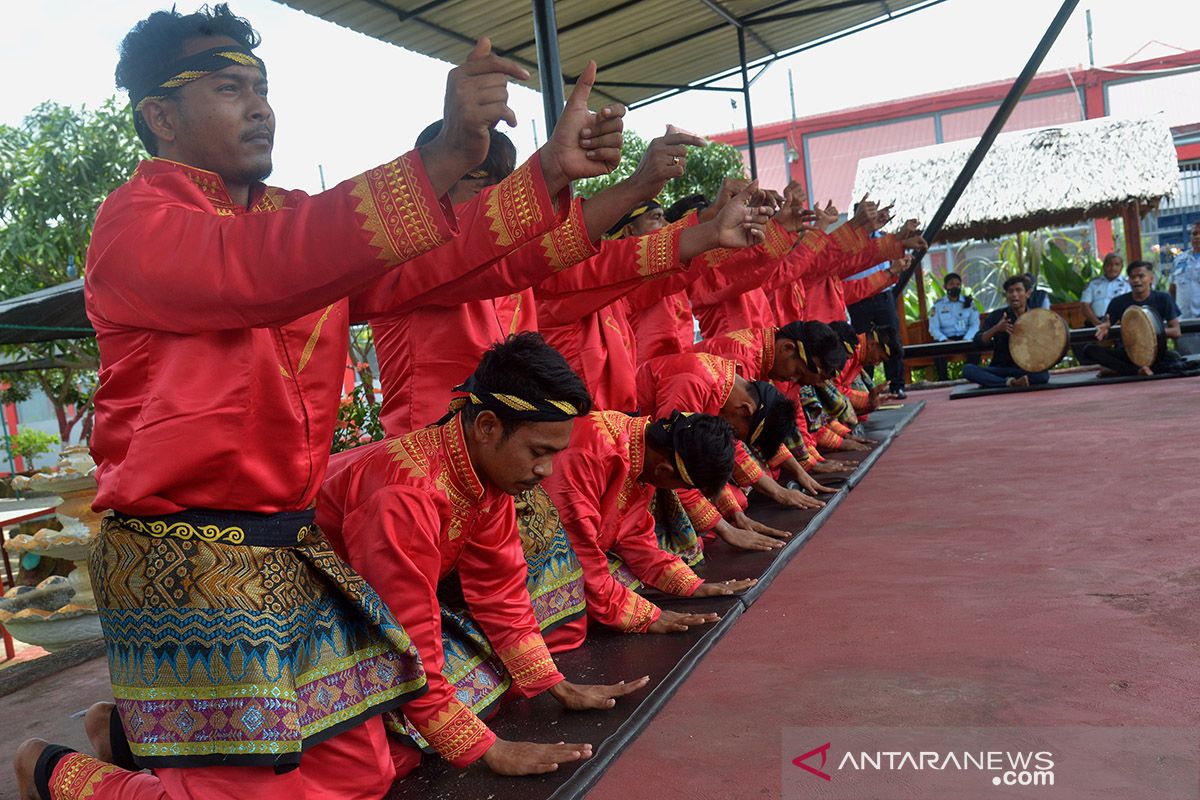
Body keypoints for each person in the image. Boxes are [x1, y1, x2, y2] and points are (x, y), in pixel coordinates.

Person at [14, 5, 626, 799]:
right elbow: (266, 270)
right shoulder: (136, 225)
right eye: (230, 88)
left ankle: (129, 734)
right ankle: (51, 770)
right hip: (189, 561)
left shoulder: (287, 217)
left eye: (262, 86)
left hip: (287, 549)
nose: (260, 105)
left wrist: (545, 175)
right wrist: (439, 156)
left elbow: (437, 267)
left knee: (361, 772)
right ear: (159, 115)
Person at [317, 334, 649, 778]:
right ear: (488, 425)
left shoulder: (482, 471)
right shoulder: (407, 494)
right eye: (538, 452)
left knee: (494, 683)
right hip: (323, 613)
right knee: (372, 764)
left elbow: (501, 590)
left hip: (384, 606)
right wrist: (486, 750)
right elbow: (404, 635)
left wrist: (554, 684)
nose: (547, 471)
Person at [541, 411, 757, 652]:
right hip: (543, 546)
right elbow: (578, 550)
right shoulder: (591, 455)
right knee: (570, 624)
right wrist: (648, 616)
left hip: (585, 542)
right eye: (684, 487)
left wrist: (691, 585)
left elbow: (634, 535)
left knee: (628, 582)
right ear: (664, 471)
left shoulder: (639, 450)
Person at [636, 351, 827, 553]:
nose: (793, 379)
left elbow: (726, 448)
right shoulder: (693, 385)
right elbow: (677, 464)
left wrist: (741, 509)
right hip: (645, 459)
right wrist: (726, 530)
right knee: (691, 544)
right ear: (745, 410)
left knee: (736, 504)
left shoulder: (727, 387)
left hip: (664, 461)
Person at [1082, 260, 1184, 376]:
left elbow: (1176, 331)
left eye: (1141, 276)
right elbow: (1107, 324)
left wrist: (1147, 332)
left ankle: (1123, 371)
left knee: (1174, 357)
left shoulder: (1163, 298)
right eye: (1132, 277)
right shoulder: (1118, 302)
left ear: (1151, 279)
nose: (1136, 280)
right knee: (1089, 350)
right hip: (1127, 353)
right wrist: (1104, 327)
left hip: (1155, 353)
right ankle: (1137, 371)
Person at [962, 275, 1051, 389]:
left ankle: (1002, 382)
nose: (1014, 295)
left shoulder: (1036, 317)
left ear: (1028, 293)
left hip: (1024, 369)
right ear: (1006, 295)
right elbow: (977, 342)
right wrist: (997, 328)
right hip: (1000, 368)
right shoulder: (997, 316)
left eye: (1018, 290)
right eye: (1010, 291)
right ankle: (1010, 383)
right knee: (968, 370)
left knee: (1042, 376)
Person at [928, 272, 981, 381]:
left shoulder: (969, 303)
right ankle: (944, 381)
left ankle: (972, 379)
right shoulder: (938, 306)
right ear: (945, 287)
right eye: (952, 284)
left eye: (958, 284)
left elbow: (975, 324)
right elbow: (933, 328)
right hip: (947, 340)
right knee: (936, 348)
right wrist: (944, 340)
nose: (955, 287)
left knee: (976, 345)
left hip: (965, 338)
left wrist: (967, 339)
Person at [1170, 221, 1200, 355]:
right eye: (1194, 233)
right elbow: (1173, 289)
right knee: (1188, 362)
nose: (1197, 237)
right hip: (1184, 322)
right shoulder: (1179, 260)